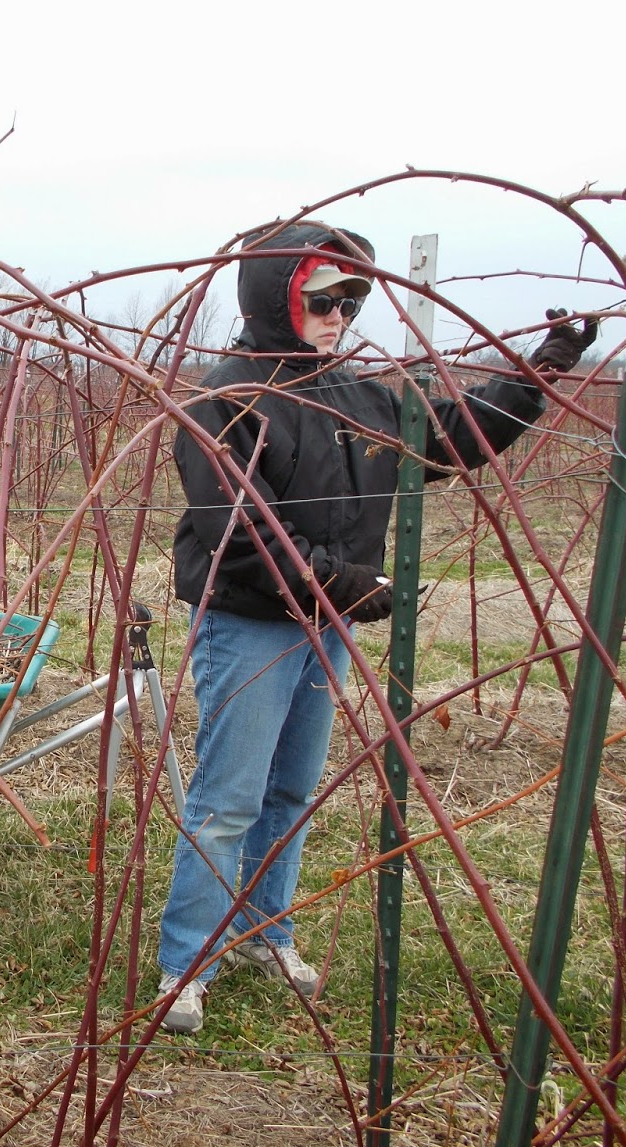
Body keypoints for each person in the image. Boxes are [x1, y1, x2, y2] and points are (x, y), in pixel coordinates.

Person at [155, 221, 596, 1034]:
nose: (340, 315)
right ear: (277, 296)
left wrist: (535, 378)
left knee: (291, 791)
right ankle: (187, 962)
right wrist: (352, 585)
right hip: (254, 626)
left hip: (328, 625)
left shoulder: (360, 397)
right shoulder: (229, 399)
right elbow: (237, 535)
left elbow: (449, 440)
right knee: (228, 799)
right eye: (323, 298)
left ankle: (264, 930)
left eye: (353, 300)